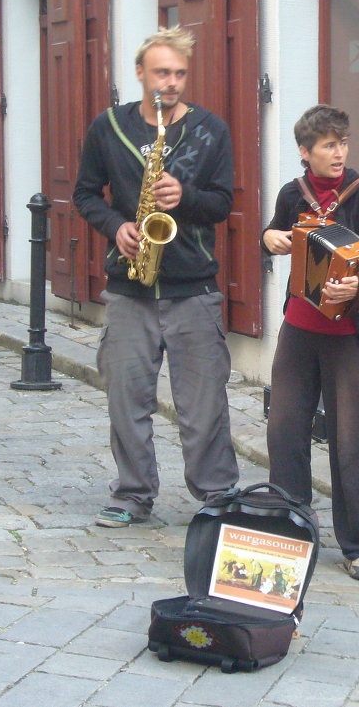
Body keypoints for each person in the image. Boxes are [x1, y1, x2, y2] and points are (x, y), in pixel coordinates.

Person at [73, 26, 238, 528]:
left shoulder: (211, 130)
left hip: (193, 287)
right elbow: (84, 194)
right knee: (126, 397)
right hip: (129, 286)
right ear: (141, 73)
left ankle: (216, 495)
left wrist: (183, 198)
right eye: (162, 72)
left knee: (203, 403)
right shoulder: (108, 127)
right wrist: (115, 225)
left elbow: (222, 204)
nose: (171, 83)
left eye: (180, 74)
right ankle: (132, 493)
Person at [261, 104, 359, 582]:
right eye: (328, 145)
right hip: (300, 332)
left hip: (350, 339)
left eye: (342, 143)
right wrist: (271, 238)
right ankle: (289, 530)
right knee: (285, 433)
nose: (339, 153)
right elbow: (271, 235)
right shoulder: (293, 194)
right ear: (306, 152)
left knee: (351, 443)